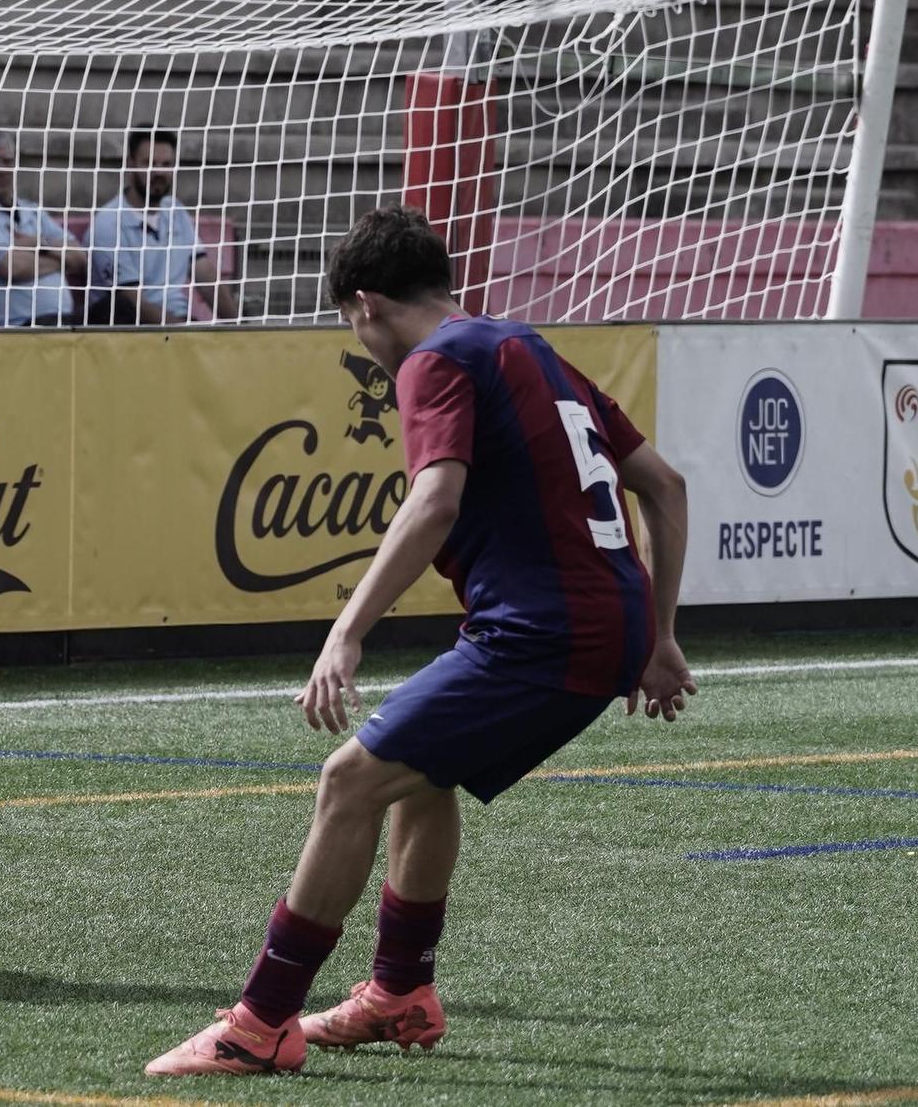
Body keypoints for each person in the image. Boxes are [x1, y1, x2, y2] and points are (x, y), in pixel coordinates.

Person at [146, 203, 695, 1076]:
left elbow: (434, 498)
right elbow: (664, 486)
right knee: (419, 771)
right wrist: (657, 635)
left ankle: (260, 1024)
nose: (360, 342)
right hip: (591, 621)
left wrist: (345, 630)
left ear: (365, 304)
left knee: (349, 779)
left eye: (349, 326)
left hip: (544, 631)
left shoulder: (433, 358)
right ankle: (400, 991)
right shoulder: (528, 347)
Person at [89, 128, 237, 325]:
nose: (158, 172)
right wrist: (187, 336)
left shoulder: (175, 211)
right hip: (129, 331)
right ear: (130, 164)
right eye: (149, 163)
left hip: (178, 322)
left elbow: (206, 277)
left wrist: (242, 327)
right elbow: (133, 303)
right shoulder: (108, 224)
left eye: (166, 164)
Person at [0, 131, 88, 328]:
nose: (1, 169)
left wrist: (38, 244)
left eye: (7, 161)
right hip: (16, 330)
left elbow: (80, 258)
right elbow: (14, 267)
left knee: (116, 312)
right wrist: (62, 259)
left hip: (65, 322)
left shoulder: (32, 210)